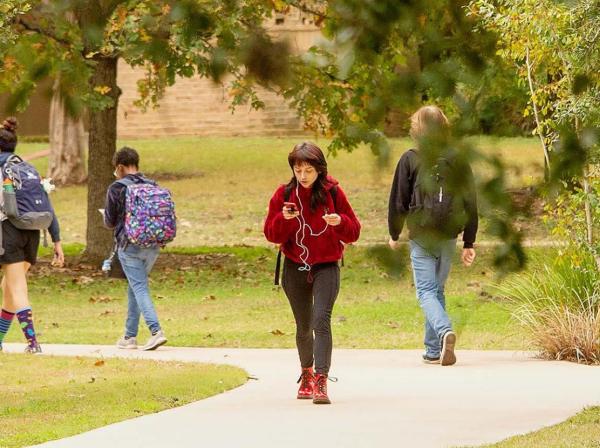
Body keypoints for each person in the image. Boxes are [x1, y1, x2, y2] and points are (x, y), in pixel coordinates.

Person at [264, 142, 361, 404]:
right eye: (298, 170)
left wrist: (340, 222)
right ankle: (306, 373)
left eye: (309, 170)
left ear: (319, 169)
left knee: (321, 320)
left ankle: (321, 379)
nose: (303, 176)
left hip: (326, 265)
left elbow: (354, 232)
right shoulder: (284, 195)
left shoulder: (333, 193)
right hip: (295, 265)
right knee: (304, 326)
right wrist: (283, 219)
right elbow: (271, 234)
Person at [387, 105, 478, 366]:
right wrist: (469, 241)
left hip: (422, 234)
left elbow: (399, 199)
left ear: (417, 129)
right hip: (449, 234)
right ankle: (433, 350)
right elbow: (471, 202)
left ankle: (445, 331)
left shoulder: (410, 158)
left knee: (425, 291)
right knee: (436, 290)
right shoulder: (458, 160)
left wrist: (394, 233)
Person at [0, 117, 64, 354]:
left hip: (8, 232)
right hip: (33, 234)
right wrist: (56, 240)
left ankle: (33, 343)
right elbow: (48, 205)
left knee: (17, 289)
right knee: (9, 289)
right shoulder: (28, 169)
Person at [104, 146, 168, 351]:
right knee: (135, 286)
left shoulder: (117, 188)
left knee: (139, 287)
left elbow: (110, 221)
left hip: (129, 244)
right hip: (153, 244)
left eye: (116, 169)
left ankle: (156, 331)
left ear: (120, 167)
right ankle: (129, 336)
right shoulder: (152, 185)